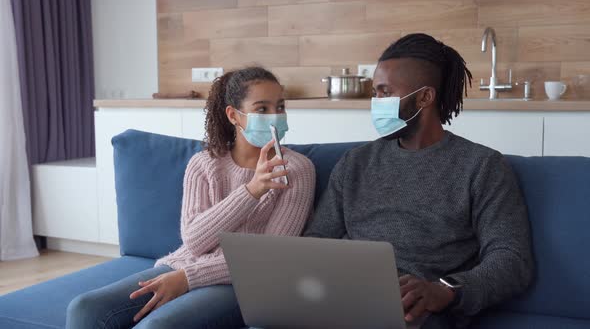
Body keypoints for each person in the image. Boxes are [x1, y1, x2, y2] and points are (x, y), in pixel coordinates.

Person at [304, 34, 534, 328]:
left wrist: (446, 290)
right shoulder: (354, 163)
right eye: (375, 92)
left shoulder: (482, 166)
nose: (376, 103)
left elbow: (512, 260)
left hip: (421, 310)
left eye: (385, 92)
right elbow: (318, 239)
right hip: (346, 298)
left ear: (425, 97)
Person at [66, 66, 316, 329]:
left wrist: (189, 278)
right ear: (234, 116)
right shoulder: (204, 164)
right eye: (262, 109)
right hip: (183, 265)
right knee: (85, 309)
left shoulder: (297, 169)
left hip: (246, 282)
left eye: (280, 107)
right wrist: (251, 190)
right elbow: (195, 241)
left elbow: (271, 255)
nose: (275, 116)